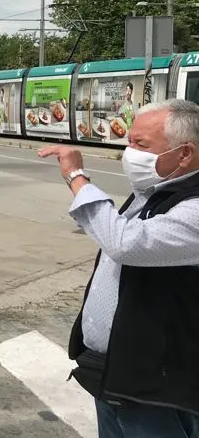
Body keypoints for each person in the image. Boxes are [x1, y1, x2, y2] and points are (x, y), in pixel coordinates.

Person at [40, 100, 199, 438]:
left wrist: (76, 177)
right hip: (117, 373)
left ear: (184, 154)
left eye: (140, 145)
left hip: (156, 385)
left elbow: (125, 243)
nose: (130, 153)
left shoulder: (194, 206)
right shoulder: (154, 191)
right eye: (129, 142)